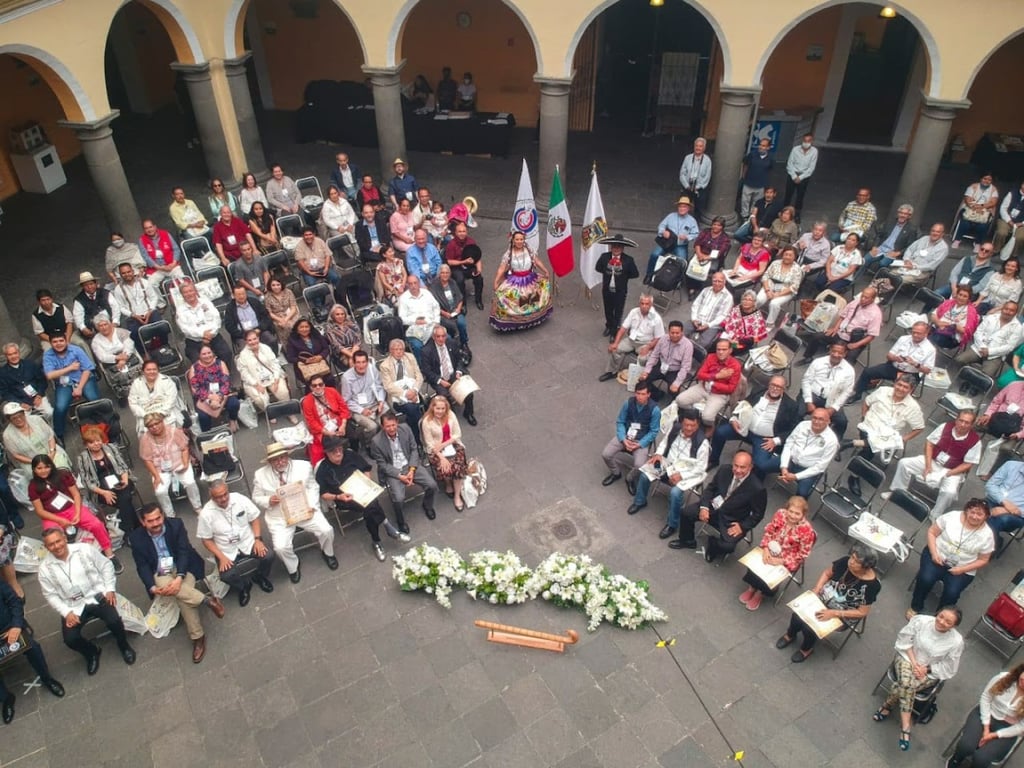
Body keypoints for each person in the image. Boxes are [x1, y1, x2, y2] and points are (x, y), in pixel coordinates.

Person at [129, 504, 225, 664]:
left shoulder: (176, 525)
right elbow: (142, 566)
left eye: (158, 518)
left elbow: (183, 552)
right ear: (143, 522)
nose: (156, 523)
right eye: (150, 521)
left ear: (163, 515)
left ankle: (198, 637)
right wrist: (152, 588)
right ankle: (207, 601)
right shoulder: (136, 538)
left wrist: (179, 577)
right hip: (161, 570)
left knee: (180, 595)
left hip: (185, 566)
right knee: (164, 583)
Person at [38, 528, 136, 674]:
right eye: (51, 544)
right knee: (70, 639)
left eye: (58, 541)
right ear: (46, 547)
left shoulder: (84, 549)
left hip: (97, 595)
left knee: (114, 621)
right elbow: (50, 595)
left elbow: (106, 565)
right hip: (73, 605)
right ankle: (92, 652)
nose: (56, 546)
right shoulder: (44, 569)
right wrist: (66, 612)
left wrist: (109, 589)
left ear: (64, 538)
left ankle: (123, 645)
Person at [874, 608, 964, 752]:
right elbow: (904, 641)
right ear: (938, 613)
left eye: (948, 622)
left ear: (953, 626)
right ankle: (906, 726)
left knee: (904, 685)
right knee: (907, 684)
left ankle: (888, 705)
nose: (941, 622)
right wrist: (915, 663)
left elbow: (949, 667)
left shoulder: (956, 642)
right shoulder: (921, 620)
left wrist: (926, 669)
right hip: (907, 658)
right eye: (941, 616)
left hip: (929, 672)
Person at [776, 543, 880, 663]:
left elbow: (862, 612)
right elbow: (827, 573)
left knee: (810, 628)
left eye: (856, 561)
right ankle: (790, 634)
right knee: (797, 614)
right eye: (852, 557)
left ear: (866, 566)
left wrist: (834, 613)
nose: (851, 562)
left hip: (842, 614)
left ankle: (806, 649)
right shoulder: (844, 562)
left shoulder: (872, 586)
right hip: (822, 598)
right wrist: (817, 588)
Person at [252, 443, 338, 584]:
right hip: (280, 517)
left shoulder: (303, 467)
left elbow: (313, 487)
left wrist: (311, 506)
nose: (280, 462)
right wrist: (268, 500)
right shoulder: (260, 475)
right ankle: (293, 566)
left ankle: (328, 552)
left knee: (327, 530)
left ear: (287, 456)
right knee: (280, 547)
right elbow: (256, 497)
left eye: (282, 458)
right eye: (275, 460)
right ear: (269, 462)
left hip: (305, 510)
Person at [316, 435, 407, 561]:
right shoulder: (323, 469)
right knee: (370, 504)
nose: (338, 453)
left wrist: (366, 482)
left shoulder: (350, 455)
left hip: (362, 490)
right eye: (333, 451)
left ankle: (377, 542)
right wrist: (338, 496)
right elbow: (323, 494)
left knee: (369, 506)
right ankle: (388, 528)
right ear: (327, 453)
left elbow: (366, 468)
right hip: (344, 498)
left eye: (339, 449)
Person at [627, 408, 709, 538]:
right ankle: (640, 501)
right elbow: (664, 442)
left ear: (697, 424)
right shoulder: (675, 428)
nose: (689, 428)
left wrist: (681, 475)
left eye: (692, 426)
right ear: (682, 423)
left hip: (686, 472)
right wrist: (659, 454)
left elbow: (701, 468)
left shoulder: (702, 443)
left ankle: (672, 524)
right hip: (668, 463)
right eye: (686, 425)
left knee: (675, 493)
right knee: (645, 473)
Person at [670, 451, 766, 561]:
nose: (738, 470)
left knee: (728, 546)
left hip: (731, 519)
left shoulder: (757, 488)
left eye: (742, 467)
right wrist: (704, 507)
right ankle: (687, 541)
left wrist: (742, 526)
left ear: (750, 467)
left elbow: (758, 514)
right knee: (686, 512)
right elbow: (710, 489)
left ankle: (713, 545)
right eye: (736, 465)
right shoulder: (725, 470)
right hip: (712, 508)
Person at [887, 412, 981, 521]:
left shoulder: (975, 441)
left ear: (972, 425)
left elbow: (968, 464)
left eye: (967, 422)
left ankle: (935, 515)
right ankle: (897, 492)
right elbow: (929, 443)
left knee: (949, 492)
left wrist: (947, 473)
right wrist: (927, 466)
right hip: (933, 461)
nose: (963, 424)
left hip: (952, 470)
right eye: (961, 420)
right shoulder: (945, 427)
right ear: (956, 419)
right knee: (904, 463)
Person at [908, 501, 994, 616]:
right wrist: (934, 554)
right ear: (966, 510)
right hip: (937, 555)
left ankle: (941, 616)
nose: (974, 516)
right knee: (925, 578)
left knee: (952, 592)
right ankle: (916, 606)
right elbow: (932, 532)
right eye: (972, 512)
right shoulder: (952, 517)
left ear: (986, 516)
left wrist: (962, 569)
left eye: (979, 514)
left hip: (963, 568)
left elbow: (983, 559)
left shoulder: (987, 535)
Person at [197, 480, 275, 607]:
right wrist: (221, 557)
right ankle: (243, 586)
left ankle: (260, 576)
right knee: (227, 575)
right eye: (218, 497)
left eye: (225, 494)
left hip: (248, 541)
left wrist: (258, 539)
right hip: (226, 549)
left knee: (269, 555)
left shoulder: (239, 499)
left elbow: (254, 518)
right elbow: (206, 540)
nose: (223, 499)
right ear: (211, 497)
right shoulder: (206, 514)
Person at [0, 581, 64, 723]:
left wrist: (16, 626)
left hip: (9, 627)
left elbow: (14, 602)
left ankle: (47, 678)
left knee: (33, 648)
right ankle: (6, 698)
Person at [709, 375, 801, 474]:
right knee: (719, 432)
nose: (775, 388)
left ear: (784, 389)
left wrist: (776, 441)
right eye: (773, 385)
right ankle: (713, 460)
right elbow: (744, 404)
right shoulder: (758, 391)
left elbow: (794, 429)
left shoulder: (790, 405)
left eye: (779, 387)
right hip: (744, 427)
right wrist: (734, 418)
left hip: (764, 439)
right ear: (768, 385)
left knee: (761, 465)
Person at [739, 496, 816, 611]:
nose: (793, 516)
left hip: (787, 558)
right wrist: (765, 548)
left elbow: (802, 554)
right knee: (757, 565)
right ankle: (751, 587)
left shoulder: (807, 530)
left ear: (803, 515)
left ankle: (760, 593)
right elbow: (769, 531)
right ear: (787, 509)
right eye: (791, 511)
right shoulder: (780, 514)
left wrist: (782, 561)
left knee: (770, 575)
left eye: (797, 513)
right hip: (770, 548)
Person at [837, 375, 925, 469]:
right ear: (895, 384)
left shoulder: (913, 407)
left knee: (869, 450)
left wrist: (903, 439)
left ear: (910, 390)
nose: (901, 389)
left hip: (888, 435)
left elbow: (919, 428)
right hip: (869, 426)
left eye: (905, 387)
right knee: (869, 452)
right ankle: (854, 475)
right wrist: (864, 417)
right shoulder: (882, 391)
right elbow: (867, 403)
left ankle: (851, 443)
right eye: (899, 385)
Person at [949, 664, 1024, 767]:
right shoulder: (1004, 678)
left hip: (1009, 728)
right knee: (966, 746)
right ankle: (956, 760)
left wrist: (994, 735)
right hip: (986, 713)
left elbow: (1021, 727)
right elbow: (986, 697)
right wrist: (986, 728)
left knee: (982, 758)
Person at [370, 413, 439, 523]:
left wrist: (412, 470)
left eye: (393, 425)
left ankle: (428, 505)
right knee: (398, 499)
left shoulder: (406, 429)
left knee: (432, 485)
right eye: (388, 426)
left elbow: (414, 449)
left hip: (409, 464)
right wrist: (399, 476)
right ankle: (400, 520)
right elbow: (382, 464)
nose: (392, 428)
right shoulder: (376, 441)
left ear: (397, 422)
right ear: (383, 426)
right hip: (393, 470)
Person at [761, 408, 838, 497]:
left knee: (802, 494)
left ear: (828, 421)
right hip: (790, 461)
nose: (816, 421)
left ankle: (794, 508)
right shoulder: (802, 425)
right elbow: (788, 445)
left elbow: (820, 467)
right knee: (762, 466)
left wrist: (796, 476)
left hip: (808, 470)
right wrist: (784, 467)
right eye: (814, 418)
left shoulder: (832, 441)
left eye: (821, 419)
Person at [76, 426, 137, 535]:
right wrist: (104, 493)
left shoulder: (111, 448)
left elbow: (123, 466)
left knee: (124, 499)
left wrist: (125, 481)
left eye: (98, 440)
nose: (96, 444)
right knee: (125, 500)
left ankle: (128, 530)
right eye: (92, 442)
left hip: (120, 479)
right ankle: (135, 526)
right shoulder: (82, 458)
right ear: (86, 445)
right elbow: (87, 482)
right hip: (100, 488)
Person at [600, 380, 661, 490]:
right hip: (626, 436)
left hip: (640, 440)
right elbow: (620, 422)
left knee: (639, 465)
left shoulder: (655, 410)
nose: (639, 397)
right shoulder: (628, 403)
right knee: (606, 454)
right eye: (637, 393)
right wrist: (623, 439)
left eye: (643, 394)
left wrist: (640, 444)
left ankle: (630, 478)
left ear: (648, 394)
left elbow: (653, 431)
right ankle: (616, 473)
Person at [139, 412, 202, 517]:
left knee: (190, 482)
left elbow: (184, 449)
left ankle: (197, 506)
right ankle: (169, 514)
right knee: (159, 491)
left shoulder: (174, 432)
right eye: (150, 426)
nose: (154, 427)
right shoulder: (145, 438)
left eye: (156, 423)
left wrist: (186, 464)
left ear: (162, 422)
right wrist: (156, 476)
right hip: (160, 469)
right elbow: (147, 460)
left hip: (179, 463)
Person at [799, 286, 881, 366]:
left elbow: (871, 336)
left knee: (850, 359)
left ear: (872, 299)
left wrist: (856, 345)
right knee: (816, 336)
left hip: (855, 340)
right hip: (841, 333)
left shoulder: (876, 314)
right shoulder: (855, 302)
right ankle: (808, 358)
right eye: (862, 296)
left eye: (866, 298)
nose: (863, 299)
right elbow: (842, 316)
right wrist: (835, 328)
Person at [491, 230, 554, 331]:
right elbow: (502, 268)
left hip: (530, 278)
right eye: (517, 239)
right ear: (513, 240)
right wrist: (496, 281)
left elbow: (536, 261)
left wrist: (545, 270)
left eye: (521, 239)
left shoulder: (529, 250)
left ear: (524, 240)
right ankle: (517, 322)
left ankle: (532, 319)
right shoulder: (509, 254)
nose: (519, 241)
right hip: (515, 280)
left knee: (533, 298)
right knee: (513, 299)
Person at [674, 338, 743, 429]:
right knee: (680, 400)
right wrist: (717, 376)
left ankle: (710, 427)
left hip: (719, 394)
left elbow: (730, 388)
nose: (720, 352)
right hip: (702, 388)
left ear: (730, 350)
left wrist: (712, 383)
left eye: (724, 350)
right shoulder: (711, 357)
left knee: (707, 417)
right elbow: (700, 375)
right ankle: (694, 415)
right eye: (718, 349)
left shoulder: (735, 366)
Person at [43, 333, 99, 443]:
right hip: (64, 384)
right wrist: (70, 368)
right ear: (51, 343)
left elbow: (87, 369)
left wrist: (79, 388)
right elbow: (49, 375)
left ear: (66, 341)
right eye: (55, 341)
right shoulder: (48, 355)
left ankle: (103, 424)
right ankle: (59, 434)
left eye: (61, 340)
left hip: (83, 379)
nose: (58, 344)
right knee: (60, 407)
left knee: (95, 400)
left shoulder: (76, 350)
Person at [853, 321, 934, 397]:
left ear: (926, 334)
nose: (915, 335)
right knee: (868, 372)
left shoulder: (930, 349)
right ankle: (857, 395)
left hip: (909, 374)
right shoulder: (904, 338)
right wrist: (895, 358)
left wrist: (915, 364)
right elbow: (889, 356)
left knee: (902, 391)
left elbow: (927, 370)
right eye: (913, 332)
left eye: (919, 333)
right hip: (893, 367)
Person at [420, 396, 470, 513]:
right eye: (438, 408)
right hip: (436, 450)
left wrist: (444, 444)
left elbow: (457, 434)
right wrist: (441, 457)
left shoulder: (451, 415)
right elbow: (429, 444)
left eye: (443, 408)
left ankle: (457, 496)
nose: (440, 411)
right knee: (445, 467)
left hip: (451, 444)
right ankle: (448, 483)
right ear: (432, 408)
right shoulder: (427, 422)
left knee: (457, 467)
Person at [421, 324, 477, 426]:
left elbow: (460, 359)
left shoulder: (451, 343)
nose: (441, 339)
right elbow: (427, 371)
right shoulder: (426, 351)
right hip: (439, 378)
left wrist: (459, 371)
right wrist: (440, 381)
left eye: (443, 336)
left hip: (453, 374)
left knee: (469, 393)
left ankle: (468, 413)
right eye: (438, 336)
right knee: (444, 398)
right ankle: (451, 416)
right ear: (433, 337)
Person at [599, 294, 664, 381]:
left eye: (647, 304)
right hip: (631, 340)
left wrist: (648, 348)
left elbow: (658, 337)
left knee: (643, 358)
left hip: (645, 343)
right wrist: (615, 343)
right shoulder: (634, 312)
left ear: (651, 305)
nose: (644, 306)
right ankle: (611, 372)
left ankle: (641, 379)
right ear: (639, 304)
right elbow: (623, 329)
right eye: (642, 303)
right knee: (615, 349)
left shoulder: (656, 319)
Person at [800, 342, 856, 438]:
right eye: (834, 351)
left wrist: (833, 408)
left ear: (845, 354)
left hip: (832, 400)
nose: (836, 355)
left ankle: (835, 445)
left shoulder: (849, 371)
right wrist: (809, 401)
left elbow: (846, 392)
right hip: (813, 395)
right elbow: (806, 381)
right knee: (797, 411)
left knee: (842, 422)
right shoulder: (818, 362)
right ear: (830, 350)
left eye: (840, 353)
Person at [954, 300, 1022, 376]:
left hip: (995, 355)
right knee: (958, 360)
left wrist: (989, 351)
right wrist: (982, 347)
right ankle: (967, 377)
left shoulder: (1017, 327)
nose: (1007, 312)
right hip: (979, 348)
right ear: (1002, 309)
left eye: (1011, 310)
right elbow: (978, 332)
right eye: (1006, 309)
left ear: (1016, 313)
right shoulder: (991, 317)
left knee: (985, 375)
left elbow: (1009, 347)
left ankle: (974, 384)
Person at [378, 338, 426, 444]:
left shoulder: (410, 357)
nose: (399, 352)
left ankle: (415, 437)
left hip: (414, 391)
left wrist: (414, 390)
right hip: (397, 397)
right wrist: (405, 394)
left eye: (401, 349)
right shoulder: (385, 365)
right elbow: (388, 386)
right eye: (396, 349)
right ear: (391, 351)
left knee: (414, 410)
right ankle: (420, 436)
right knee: (413, 410)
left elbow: (419, 376)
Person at [175, 281, 234, 364]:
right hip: (194, 341)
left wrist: (211, 333)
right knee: (197, 362)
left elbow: (216, 318)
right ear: (182, 295)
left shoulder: (205, 302)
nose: (189, 294)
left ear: (195, 291)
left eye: (191, 291)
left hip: (213, 336)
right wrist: (203, 334)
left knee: (226, 354)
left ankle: (224, 374)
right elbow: (185, 329)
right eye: (186, 292)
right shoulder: (180, 310)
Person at [644, 196, 700, 281]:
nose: (682, 208)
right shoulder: (671, 216)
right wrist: (663, 232)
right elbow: (661, 226)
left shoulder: (692, 221)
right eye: (680, 206)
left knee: (682, 261)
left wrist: (687, 237)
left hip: (680, 244)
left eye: (684, 206)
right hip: (667, 242)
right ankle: (649, 274)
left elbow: (696, 233)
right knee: (654, 255)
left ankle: (677, 280)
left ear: (688, 208)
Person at [236, 329, 291, 414]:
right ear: (246, 342)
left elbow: (275, 363)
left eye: (255, 339)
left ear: (258, 338)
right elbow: (244, 374)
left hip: (271, 376)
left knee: (283, 392)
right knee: (260, 399)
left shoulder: (265, 348)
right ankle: (270, 412)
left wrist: (276, 379)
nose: (253, 342)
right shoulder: (243, 355)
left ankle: (288, 412)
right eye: (249, 340)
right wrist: (256, 384)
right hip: (255, 380)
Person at [638, 321, 694, 403]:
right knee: (643, 380)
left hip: (675, 370)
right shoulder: (663, 338)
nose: (674, 335)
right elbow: (654, 355)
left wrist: (677, 383)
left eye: (677, 333)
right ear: (668, 332)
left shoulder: (688, 346)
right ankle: (658, 394)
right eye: (672, 333)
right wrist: (646, 371)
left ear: (682, 332)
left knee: (673, 391)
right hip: (661, 365)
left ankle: (674, 405)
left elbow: (685, 367)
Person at [188, 345, 239, 433]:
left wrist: (219, 396)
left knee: (234, 403)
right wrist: (210, 397)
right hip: (204, 397)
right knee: (203, 416)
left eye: (209, 353)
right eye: (204, 354)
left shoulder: (220, 363)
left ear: (213, 353)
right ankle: (208, 434)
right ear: (199, 355)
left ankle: (232, 420)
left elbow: (226, 382)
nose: (207, 356)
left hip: (222, 394)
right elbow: (195, 388)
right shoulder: (194, 368)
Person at [2, 405, 68, 473]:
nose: (19, 419)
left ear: (24, 413)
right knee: (40, 476)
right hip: (31, 462)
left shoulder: (36, 420)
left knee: (62, 469)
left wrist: (52, 453)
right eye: (14, 418)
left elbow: (50, 437)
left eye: (20, 416)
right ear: (9, 420)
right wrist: (36, 462)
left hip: (51, 453)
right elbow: (16, 455)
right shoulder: (7, 435)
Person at [301, 373, 349, 466]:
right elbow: (312, 422)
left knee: (353, 436)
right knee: (333, 442)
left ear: (324, 384)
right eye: (314, 385)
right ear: (310, 387)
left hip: (338, 423)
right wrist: (327, 432)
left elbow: (344, 408)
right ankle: (335, 462)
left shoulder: (332, 391)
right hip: (322, 429)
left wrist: (343, 425)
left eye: (320, 384)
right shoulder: (307, 401)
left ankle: (348, 458)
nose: (318, 387)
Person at [340, 350, 387, 444]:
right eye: (358, 362)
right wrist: (361, 410)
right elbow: (346, 401)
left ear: (367, 362)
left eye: (364, 362)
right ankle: (369, 444)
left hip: (375, 404)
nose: (361, 365)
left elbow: (379, 386)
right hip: (358, 409)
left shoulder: (371, 369)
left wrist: (381, 401)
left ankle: (384, 442)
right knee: (372, 427)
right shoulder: (347, 378)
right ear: (353, 363)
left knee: (387, 421)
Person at [128, 360, 184, 432]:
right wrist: (145, 415)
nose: (152, 372)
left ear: (158, 370)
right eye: (148, 370)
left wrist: (161, 414)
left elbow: (171, 400)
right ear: (143, 371)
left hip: (166, 412)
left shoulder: (166, 381)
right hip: (145, 415)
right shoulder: (136, 383)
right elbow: (132, 403)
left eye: (154, 369)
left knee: (172, 430)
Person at [860, 203, 918, 275]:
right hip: (880, 248)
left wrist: (898, 253)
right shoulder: (889, 222)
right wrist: (875, 246)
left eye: (905, 214)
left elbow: (910, 246)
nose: (902, 215)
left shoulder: (911, 229)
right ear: (898, 213)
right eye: (901, 213)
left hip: (893, 252)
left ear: (909, 216)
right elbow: (878, 234)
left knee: (883, 264)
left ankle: (877, 283)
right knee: (865, 259)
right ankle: (853, 280)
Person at [756, 245, 803, 328]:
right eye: (786, 254)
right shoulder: (775, 263)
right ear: (783, 254)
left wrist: (777, 294)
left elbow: (794, 287)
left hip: (786, 290)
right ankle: (750, 314)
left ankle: (769, 324)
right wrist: (767, 290)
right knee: (760, 299)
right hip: (770, 285)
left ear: (795, 257)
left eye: (790, 255)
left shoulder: (797, 269)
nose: (787, 257)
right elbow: (765, 276)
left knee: (774, 303)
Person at [398, 274, 441, 362]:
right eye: (410, 284)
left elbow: (436, 307)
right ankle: (422, 369)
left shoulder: (427, 293)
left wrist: (437, 322)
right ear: (407, 285)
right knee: (417, 346)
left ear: (419, 283)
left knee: (445, 338)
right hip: (415, 330)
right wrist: (415, 321)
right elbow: (401, 319)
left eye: (415, 283)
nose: (413, 286)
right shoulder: (403, 298)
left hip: (432, 325)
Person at [892, 223, 950, 288]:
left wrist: (914, 267)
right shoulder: (924, 238)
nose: (934, 233)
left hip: (922, 271)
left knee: (898, 279)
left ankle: (882, 290)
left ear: (942, 234)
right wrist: (907, 259)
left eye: (938, 232)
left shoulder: (943, 248)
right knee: (890, 274)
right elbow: (910, 249)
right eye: (933, 231)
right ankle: (881, 289)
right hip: (908, 264)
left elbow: (931, 266)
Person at [685, 218, 731, 300]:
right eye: (714, 224)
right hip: (700, 253)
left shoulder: (725, 238)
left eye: (718, 225)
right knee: (691, 265)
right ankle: (691, 287)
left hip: (713, 258)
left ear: (722, 227)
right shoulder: (705, 231)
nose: (716, 227)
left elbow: (719, 252)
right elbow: (697, 243)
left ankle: (698, 286)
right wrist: (699, 254)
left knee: (706, 268)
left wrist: (706, 257)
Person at [0, 343, 50, 418]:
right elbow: (5, 393)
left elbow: (42, 381)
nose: (13, 356)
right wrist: (20, 403)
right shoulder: (2, 373)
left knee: (49, 413)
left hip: (38, 397)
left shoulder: (30, 364)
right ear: (6, 356)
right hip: (19, 403)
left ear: (19, 353)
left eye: (15, 353)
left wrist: (39, 395)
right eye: (10, 354)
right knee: (30, 420)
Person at [685, 272, 733, 349]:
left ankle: (689, 355)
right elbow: (696, 304)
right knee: (680, 332)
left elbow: (723, 316)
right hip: (697, 320)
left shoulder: (728, 297)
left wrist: (708, 325)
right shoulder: (705, 290)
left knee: (703, 344)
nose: (717, 283)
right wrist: (694, 319)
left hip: (712, 325)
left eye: (719, 281)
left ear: (724, 282)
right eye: (715, 281)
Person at [285, 318, 335, 391]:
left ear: (310, 328)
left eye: (306, 327)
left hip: (320, 364)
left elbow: (326, 348)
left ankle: (331, 396)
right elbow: (290, 358)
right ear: (297, 329)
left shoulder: (316, 335)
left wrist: (320, 356)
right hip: (305, 367)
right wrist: (305, 360)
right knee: (312, 383)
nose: (304, 329)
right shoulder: (292, 340)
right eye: (301, 327)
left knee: (329, 379)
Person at [443, 222, 484, 308]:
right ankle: (462, 303)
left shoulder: (471, 242)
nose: (462, 233)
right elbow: (449, 261)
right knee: (460, 279)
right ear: (456, 233)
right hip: (456, 267)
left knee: (479, 278)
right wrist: (463, 262)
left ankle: (478, 300)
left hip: (469, 266)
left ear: (467, 232)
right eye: (460, 231)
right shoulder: (451, 244)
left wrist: (479, 269)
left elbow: (477, 257)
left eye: (464, 231)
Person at [955, 172, 999, 248]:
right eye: (985, 178)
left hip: (984, 210)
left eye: (989, 180)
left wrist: (981, 207)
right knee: (965, 222)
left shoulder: (994, 189)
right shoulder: (973, 186)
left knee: (983, 225)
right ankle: (957, 239)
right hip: (970, 208)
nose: (986, 181)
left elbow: (993, 202)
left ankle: (978, 243)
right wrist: (975, 208)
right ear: (981, 178)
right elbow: (967, 199)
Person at [430, 264, 469, 351]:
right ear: (439, 274)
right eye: (443, 273)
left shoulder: (452, 282)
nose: (445, 275)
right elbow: (433, 306)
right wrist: (444, 313)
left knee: (461, 323)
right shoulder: (434, 287)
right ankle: (453, 345)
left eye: (447, 273)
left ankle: (464, 342)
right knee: (450, 327)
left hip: (455, 311)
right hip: (443, 314)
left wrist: (458, 309)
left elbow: (460, 298)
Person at [984, 461, 1024, 544]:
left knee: (999, 520)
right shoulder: (1011, 465)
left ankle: (987, 547)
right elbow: (990, 485)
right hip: (994, 500)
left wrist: (1008, 510)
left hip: (1017, 514)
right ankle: (994, 541)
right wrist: (1004, 502)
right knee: (975, 509)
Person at [930, 286, 980, 351]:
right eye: (960, 295)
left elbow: (967, 332)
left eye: (965, 296)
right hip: (937, 327)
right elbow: (933, 315)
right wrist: (938, 323)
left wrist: (949, 326)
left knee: (930, 337)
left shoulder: (971, 312)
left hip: (951, 337)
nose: (961, 298)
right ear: (957, 295)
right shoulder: (948, 303)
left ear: (969, 299)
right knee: (921, 328)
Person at [719, 290, 768, 354]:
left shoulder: (757, 317)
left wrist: (738, 341)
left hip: (741, 343)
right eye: (744, 299)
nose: (746, 302)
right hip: (727, 336)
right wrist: (727, 335)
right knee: (716, 345)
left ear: (754, 303)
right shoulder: (736, 309)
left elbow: (754, 338)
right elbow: (727, 322)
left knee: (726, 350)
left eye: (749, 300)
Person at [294, 225, 340, 292]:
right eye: (306, 235)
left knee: (336, 277)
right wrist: (309, 272)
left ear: (314, 234)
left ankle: (339, 296)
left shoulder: (320, 241)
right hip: (309, 271)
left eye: (310, 234)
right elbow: (300, 262)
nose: (308, 237)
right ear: (303, 236)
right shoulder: (299, 246)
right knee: (312, 285)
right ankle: (319, 302)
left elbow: (327, 255)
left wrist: (326, 268)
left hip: (323, 268)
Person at [31, 288, 77, 354]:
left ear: (51, 299)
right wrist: (55, 340)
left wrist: (66, 338)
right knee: (48, 352)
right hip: (49, 339)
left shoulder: (61, 307)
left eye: (48, 299)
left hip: (66, 334)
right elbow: (40, 333)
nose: (46, 302)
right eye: (43, 300)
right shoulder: (36, 315)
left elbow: (69, 323)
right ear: (39, 302)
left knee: (80, 343)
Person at [784, 133, 818, 214]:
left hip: (804, 176)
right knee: (788, 195)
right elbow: (789, 164)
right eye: (805, 140)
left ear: (812, 141)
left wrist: (800, 177)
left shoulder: (814, 151)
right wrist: (794, 176)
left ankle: (797, 214)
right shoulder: (795, 149)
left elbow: (811, 168)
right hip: (793, 174)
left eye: (808, 141)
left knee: (800, 196)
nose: (806, 143)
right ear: (802, 140)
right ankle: (784, 212)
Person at [740, 137, 773, 219]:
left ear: (768, 147)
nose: (761, 147)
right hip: (749, 182)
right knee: (745, 201)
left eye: (764, 146)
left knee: (756, 202)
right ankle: (744, 216)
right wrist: (744, 177)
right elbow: (745, 165)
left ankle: (752, 216)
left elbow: (770, 170)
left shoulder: (771, 158)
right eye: (760, 145)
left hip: (760, 184)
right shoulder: (752, 154)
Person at [323, 304, 363, 370]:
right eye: (337, 314)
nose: (340, 316)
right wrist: (352, 356)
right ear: (333, 315)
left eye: (342, 314)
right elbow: (336, 345)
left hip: (355, 349)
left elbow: (357, 341)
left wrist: (353, 354)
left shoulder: (352, 323)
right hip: (340, 353)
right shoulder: (329, 327)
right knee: (353, 362)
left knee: (357, 361)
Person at [677, 137, 712, 213]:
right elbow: (682, 173)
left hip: (699, 188)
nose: (698, 148)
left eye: (700, 146)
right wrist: (687, 186)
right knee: (684, 206)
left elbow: (707, 177)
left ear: (704, 148)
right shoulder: (688, 158)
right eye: (696, 146)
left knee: (699, 209)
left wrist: (698, 187)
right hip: (687, 186)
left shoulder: (707, 160)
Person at [264, 276, 300, 347]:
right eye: (273, 285)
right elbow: (269, 312)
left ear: (281, 285)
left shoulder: (288, 292)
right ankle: (288, 347)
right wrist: (281, 320)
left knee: (295, 325)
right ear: (270, 286)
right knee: (284, 326)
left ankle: (300, 344)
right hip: (277, 317)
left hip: (290, 314)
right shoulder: (267, 296)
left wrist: (286, 319)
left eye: (278, 285)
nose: (276, 287)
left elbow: (293, 307)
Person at [994, 180, 1024, 259]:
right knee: (1001, 233)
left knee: (1020, 237)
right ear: (1022, 185)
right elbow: (1003, 208)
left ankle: (1013, 255)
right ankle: (996, 250)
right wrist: (1009, 220)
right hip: (1006, 219)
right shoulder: (1012, 193)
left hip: (1021, 223)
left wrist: (1022, 223)